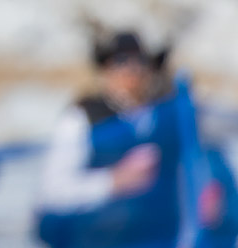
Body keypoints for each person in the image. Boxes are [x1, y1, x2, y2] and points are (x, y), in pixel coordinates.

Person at [35, 30, 238, 248]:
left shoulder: (166, 114)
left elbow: (211, 144)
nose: (132, 70)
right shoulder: (81, 118)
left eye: (140, 61)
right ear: (105, 69)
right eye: (121, 61)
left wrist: (207, 190)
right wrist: (112, 181)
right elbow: (53, 192)